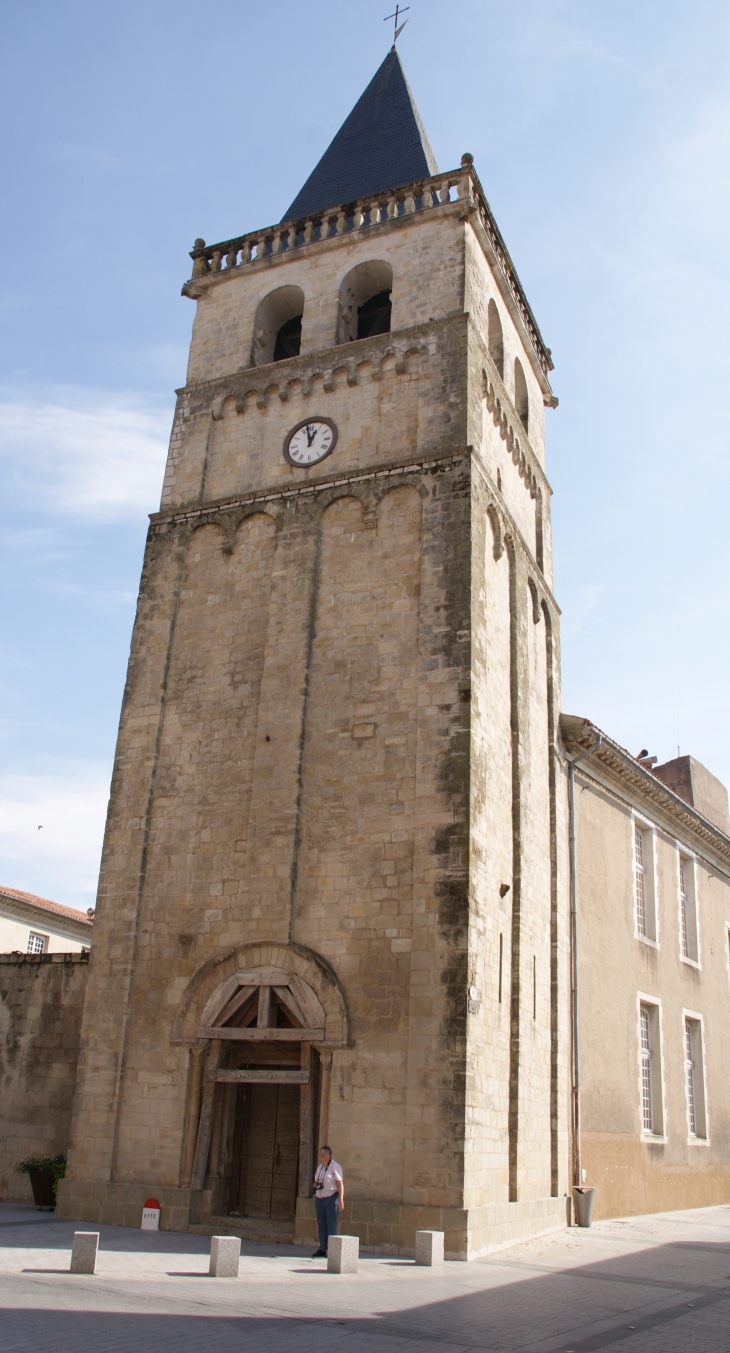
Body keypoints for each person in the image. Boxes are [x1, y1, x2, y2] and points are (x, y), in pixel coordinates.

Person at [311, 1145, 343, 1258]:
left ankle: (333, 1250)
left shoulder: (335, 1167)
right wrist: (314, 1186)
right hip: (320, 1198)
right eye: (321, 1153)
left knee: (331, 1225)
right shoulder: (320, 1167)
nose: (322, 1155)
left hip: (331, 1197)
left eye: (324, 1154)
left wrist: (341, 1201)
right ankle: (323, 1248)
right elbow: (316, 1181)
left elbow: (340, 1184)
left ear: (329, 1155)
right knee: (321, 1224)